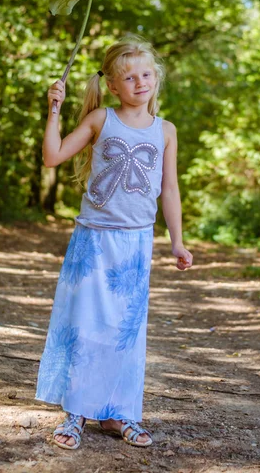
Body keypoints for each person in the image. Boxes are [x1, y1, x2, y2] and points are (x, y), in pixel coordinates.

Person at [35, 35, 193, 450]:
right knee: (86, 325)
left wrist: (177, 241)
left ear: (155, 78)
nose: (140, 82)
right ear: (112, 85)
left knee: (126, 331)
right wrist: (54, 111)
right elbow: (53, 156)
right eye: (129, 77)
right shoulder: (102, 120)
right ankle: (75, 414)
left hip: (137, 244)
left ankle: (118, 412)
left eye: (146, 74)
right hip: (94, 240)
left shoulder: (166, 130)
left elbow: (170, 189)